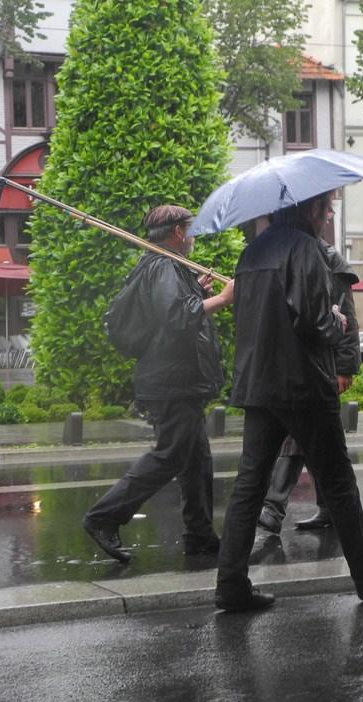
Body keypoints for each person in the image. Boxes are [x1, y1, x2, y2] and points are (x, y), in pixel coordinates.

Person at [214, 191, 363, 612]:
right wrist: (338, 321)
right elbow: (312, 321)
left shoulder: (253, 252)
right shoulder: (307, 249)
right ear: (310, 209)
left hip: (259, 384)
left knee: (249, 484)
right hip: (303, 382)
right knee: (339, 482)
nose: (328, 216)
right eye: (327, 209)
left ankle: (230, 583)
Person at [83, 204, 235, 563]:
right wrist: (224, 298)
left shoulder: (163, 265)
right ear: (178, 232)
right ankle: (103, 517)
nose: (194, 236)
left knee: (197, 458)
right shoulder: (165, 265)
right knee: (170, 454)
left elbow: (171, 309)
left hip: (174, 379)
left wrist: (195, 290)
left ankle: (199, 533)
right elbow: (177, 318)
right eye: (191, 229)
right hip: (171, 381)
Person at [256, 240, 360, 534]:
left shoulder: (328, 258)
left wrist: (344, 367)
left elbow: (347, 316)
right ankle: (329, 510)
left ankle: (274, 508)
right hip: (294, 364)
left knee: (299, 436)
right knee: (315, 441)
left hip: (320, 366)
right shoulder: (288, 255)